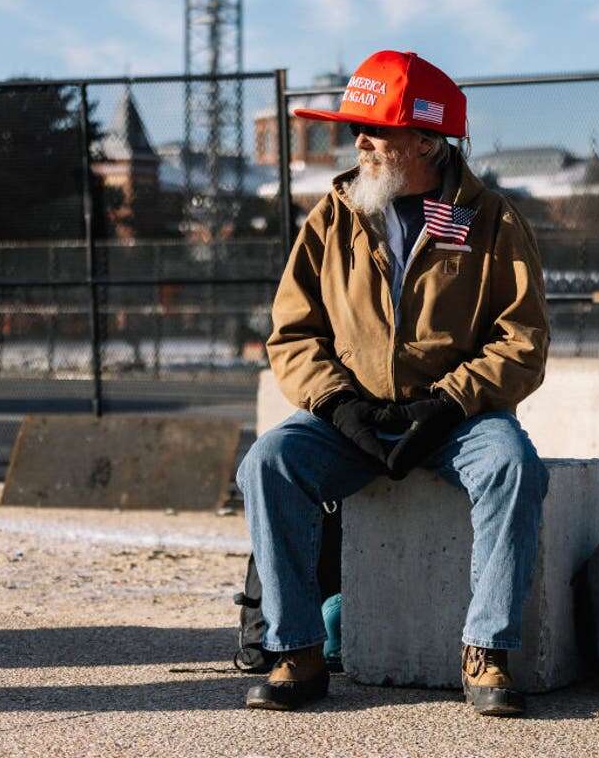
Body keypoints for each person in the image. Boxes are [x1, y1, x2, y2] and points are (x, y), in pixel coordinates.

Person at [235, 50, 550, 716]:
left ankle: (487, 649)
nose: (362, 144)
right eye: (359, 129)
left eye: (378, 129)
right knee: (269, 462)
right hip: (351, 417)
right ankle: (297, 649)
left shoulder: (490, 220)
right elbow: (292, 334)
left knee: (513, 464)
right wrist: (339, 404)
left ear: (428, 141)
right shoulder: (332, 216)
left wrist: (447, 403)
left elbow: (522, 342)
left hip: (454, 419)